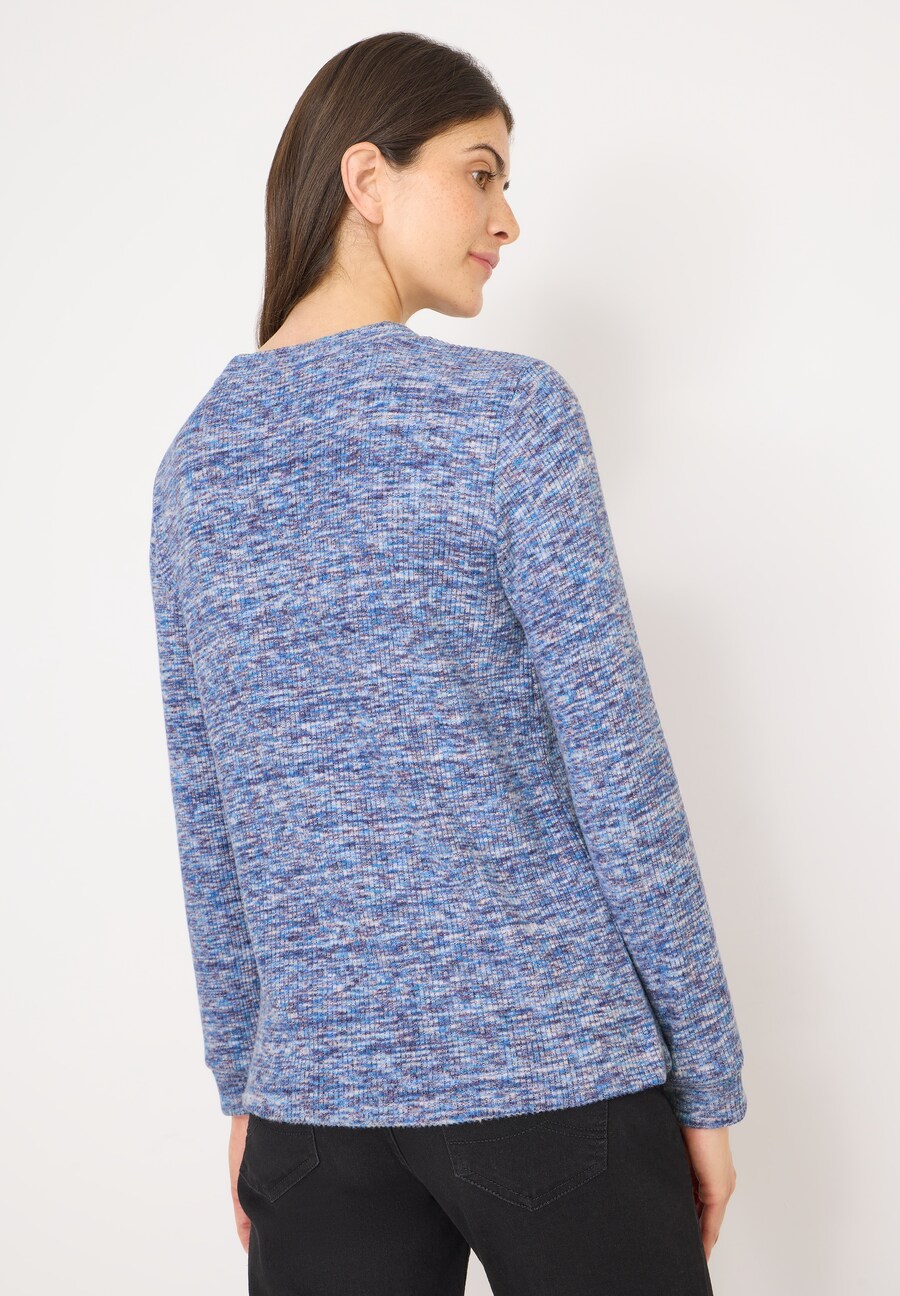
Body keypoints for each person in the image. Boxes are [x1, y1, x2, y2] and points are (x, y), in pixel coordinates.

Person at [149, 30, 747, 1296]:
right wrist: (706, 1077)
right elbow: (618, 774)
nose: (507, 217)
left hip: (317, 1112)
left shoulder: (196, 463)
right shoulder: (510, 417)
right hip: (556, 1075)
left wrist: (249, 1083)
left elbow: (212, 821)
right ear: (368, 178)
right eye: (480, 174)